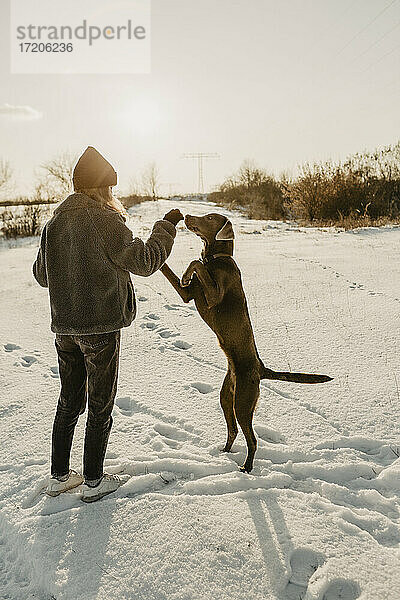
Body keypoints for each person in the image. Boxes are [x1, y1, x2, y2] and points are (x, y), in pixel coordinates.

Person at [32, 146, 183, 502]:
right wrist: (166, 228)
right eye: (110, 189)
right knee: (100, 404)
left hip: (64, 330)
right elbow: (145, 261)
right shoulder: (104, 220)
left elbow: (41, 275)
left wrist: (67, 264)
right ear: (102, 188)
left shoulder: (54, 223)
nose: (112, 195)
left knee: (69, 400)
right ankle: (94, 482)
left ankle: (58, 477)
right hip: (99, 328)